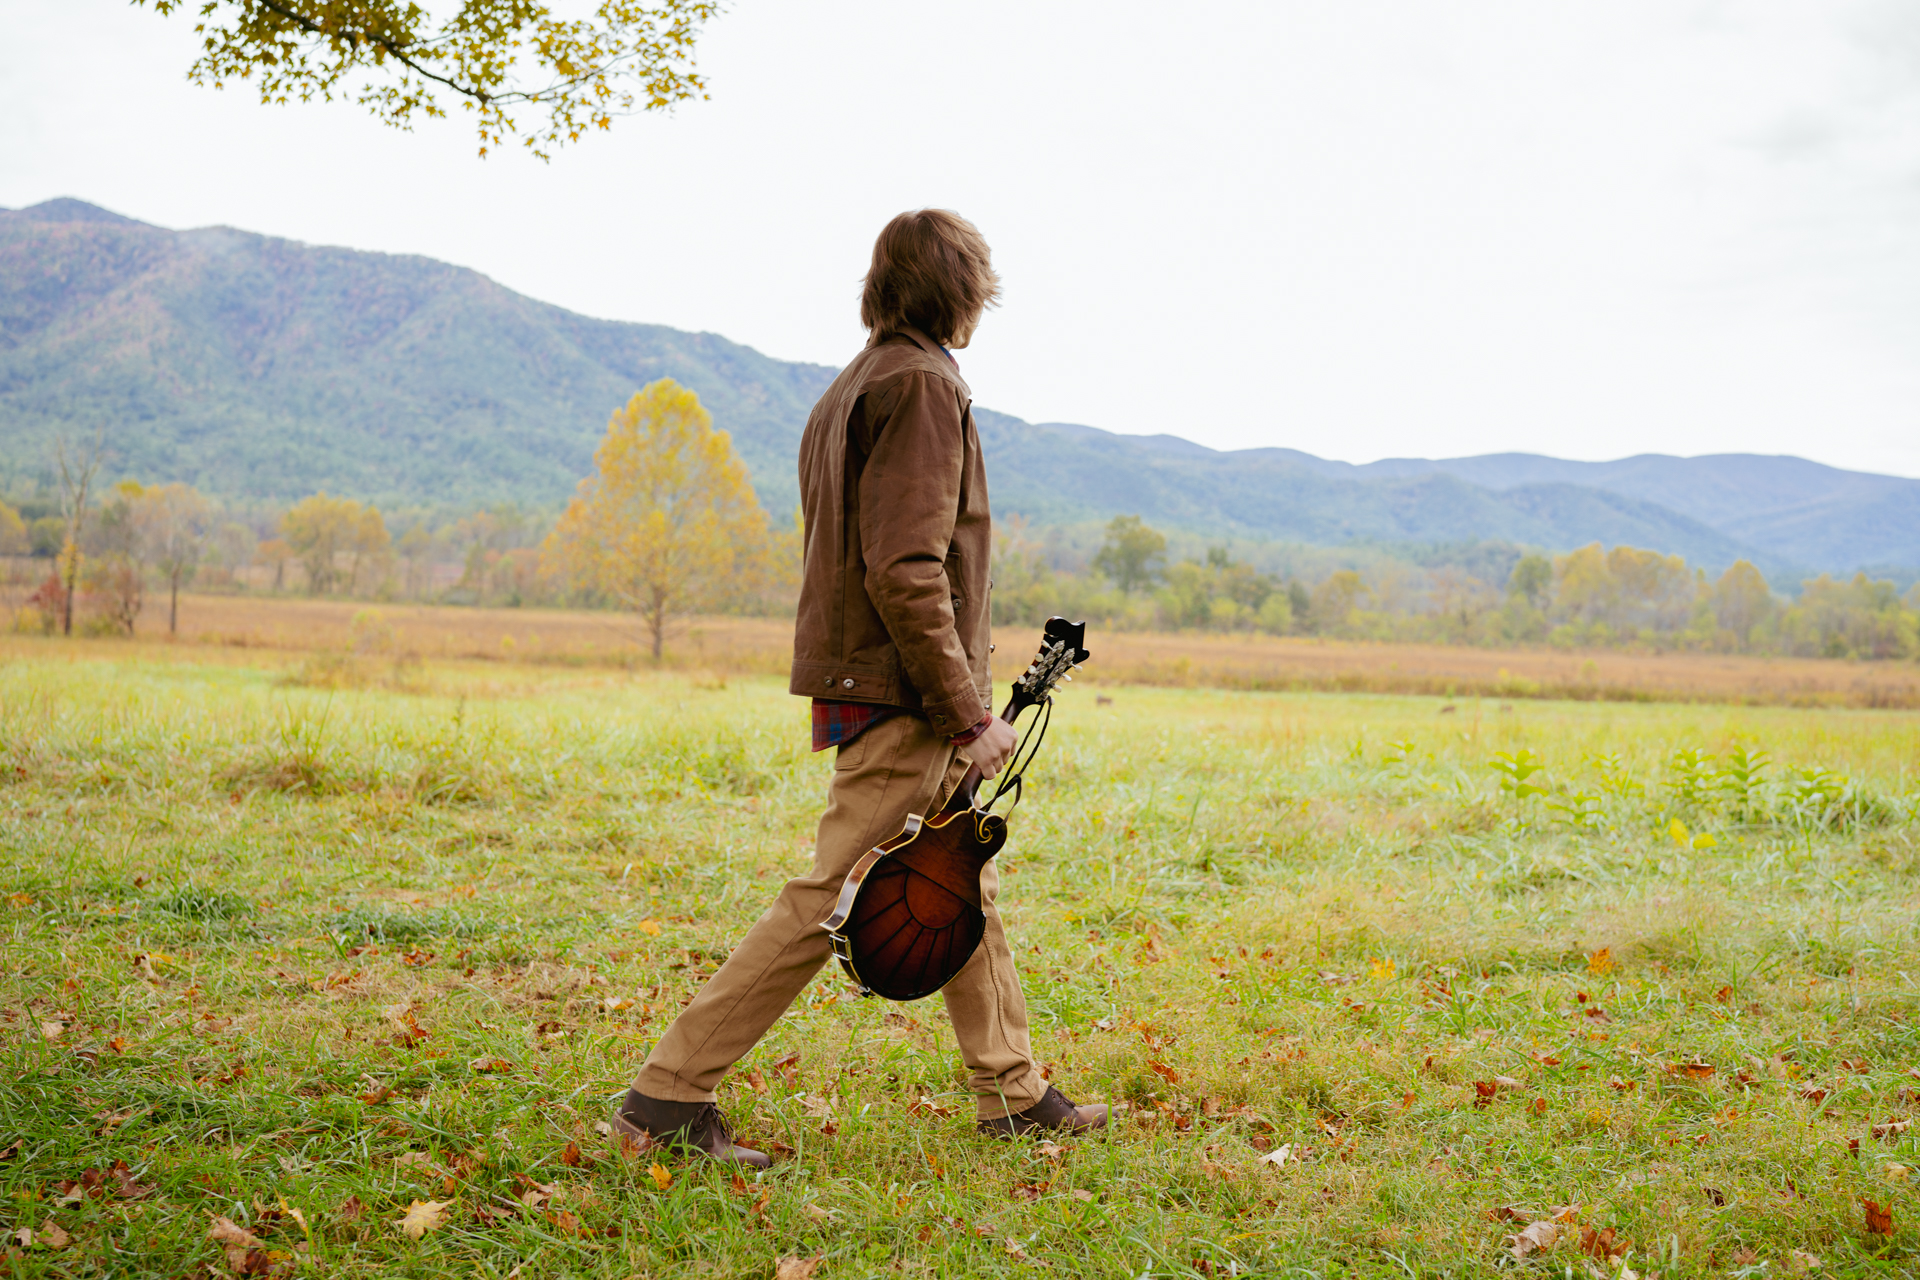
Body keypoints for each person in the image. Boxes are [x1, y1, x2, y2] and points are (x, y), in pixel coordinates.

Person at [610, 209, 1108, 1167]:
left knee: (957, 881)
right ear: (961, 290)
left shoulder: (858, 383)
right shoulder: (920, 385)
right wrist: (967, 713)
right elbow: (905, 568)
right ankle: (667, 1096)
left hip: (885, 685)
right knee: (830, 899)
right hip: (906, 698)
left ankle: (1012, 1093)